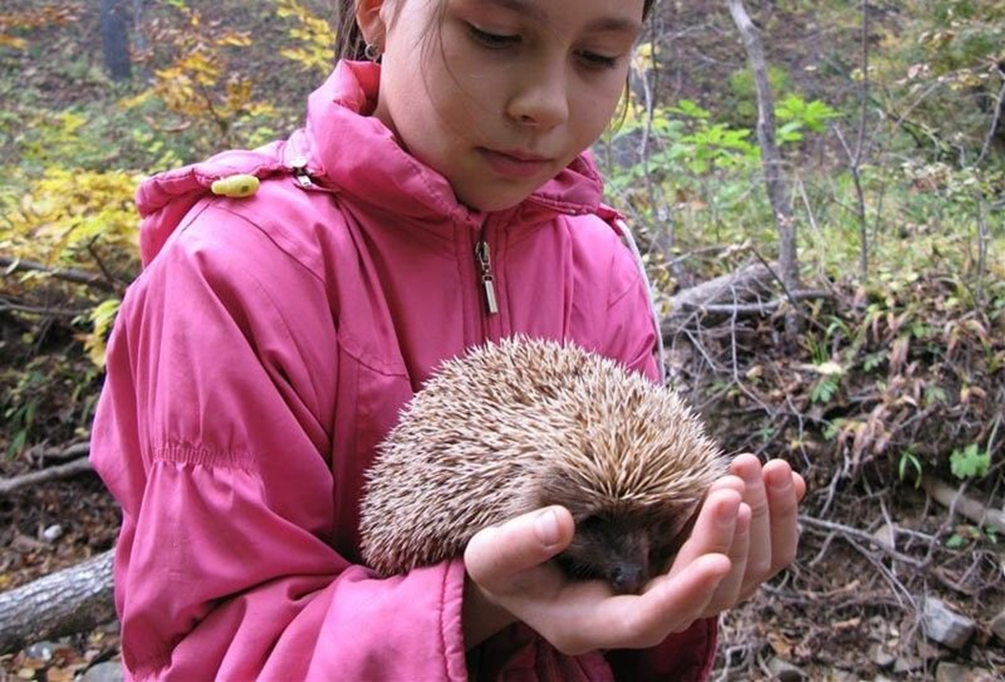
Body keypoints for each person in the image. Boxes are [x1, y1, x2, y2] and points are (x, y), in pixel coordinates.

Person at [90, 0, 806, 679]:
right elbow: (206, 655)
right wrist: (475, 602)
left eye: (597, 54)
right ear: (375, 11)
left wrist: (674, 580)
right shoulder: (234, 272)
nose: (546, 104)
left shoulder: (598, 263)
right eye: (495, 34)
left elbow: (629, 597)